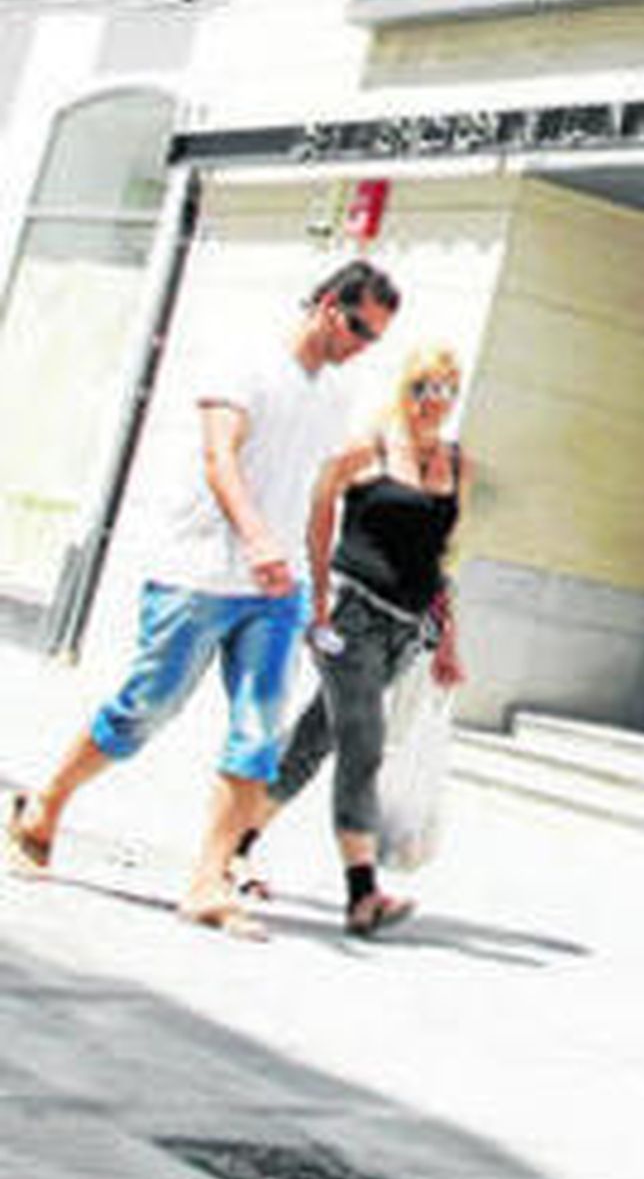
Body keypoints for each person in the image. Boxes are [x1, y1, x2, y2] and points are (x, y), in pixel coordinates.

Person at [5, 258, 400, 937]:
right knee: (143, 710)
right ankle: (44, 805)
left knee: (260, 730)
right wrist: (256, 540)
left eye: (375, 339)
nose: (362, 346)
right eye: (360, 327)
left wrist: (316, 585)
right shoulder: (246, 362)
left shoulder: (335, 394)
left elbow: (317, 496)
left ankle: (207, 881)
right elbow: (221, 459)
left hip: (277, 594)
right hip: (196, 572)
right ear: (331, 303)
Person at [237, 342, 470, 937]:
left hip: (405, 630)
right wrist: (316, 596)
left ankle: (233, 842)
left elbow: (442, 557)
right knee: (363, 741)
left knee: (317, 738)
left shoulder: (455, 463)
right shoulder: (367, 451)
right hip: (352, 618)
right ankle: (363, 893)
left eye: (444, 391)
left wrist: (447, 640)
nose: (432, 403)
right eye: (422, 388)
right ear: (404, 390)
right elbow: (318, 508)